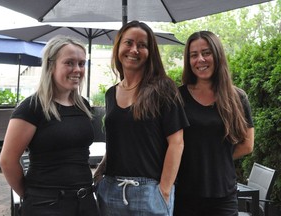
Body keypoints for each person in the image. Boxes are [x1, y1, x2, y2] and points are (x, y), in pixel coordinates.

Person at [93, 20, 189, 216]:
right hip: (110, 190)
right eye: (128, 42)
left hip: (149, 192)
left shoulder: (163, 89)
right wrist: (101, 171)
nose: (134, 49)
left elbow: (177, 143)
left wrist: (164, 190)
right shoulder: (111, 93)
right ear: (118, 46)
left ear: (150, 52)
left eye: (142, 45)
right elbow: (119, 139)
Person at [0, 35, 99, 216]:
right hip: (46, 205)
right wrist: (31, 195)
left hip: (85, 202)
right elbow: (7, 161)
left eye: (82, 63)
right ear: (51, 65)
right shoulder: (33, 107)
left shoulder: (83, 105)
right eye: (69, 63)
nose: (77, 69)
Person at [174, 31, 254, 216]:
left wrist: (215, 160)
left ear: (217, 55)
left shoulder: (237, 97)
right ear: (188, 60)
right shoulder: (176, 97)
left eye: (206, 53)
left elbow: (247, 145)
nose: (200, 59)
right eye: (194, 55)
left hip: (223, 196)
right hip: (184, 195)